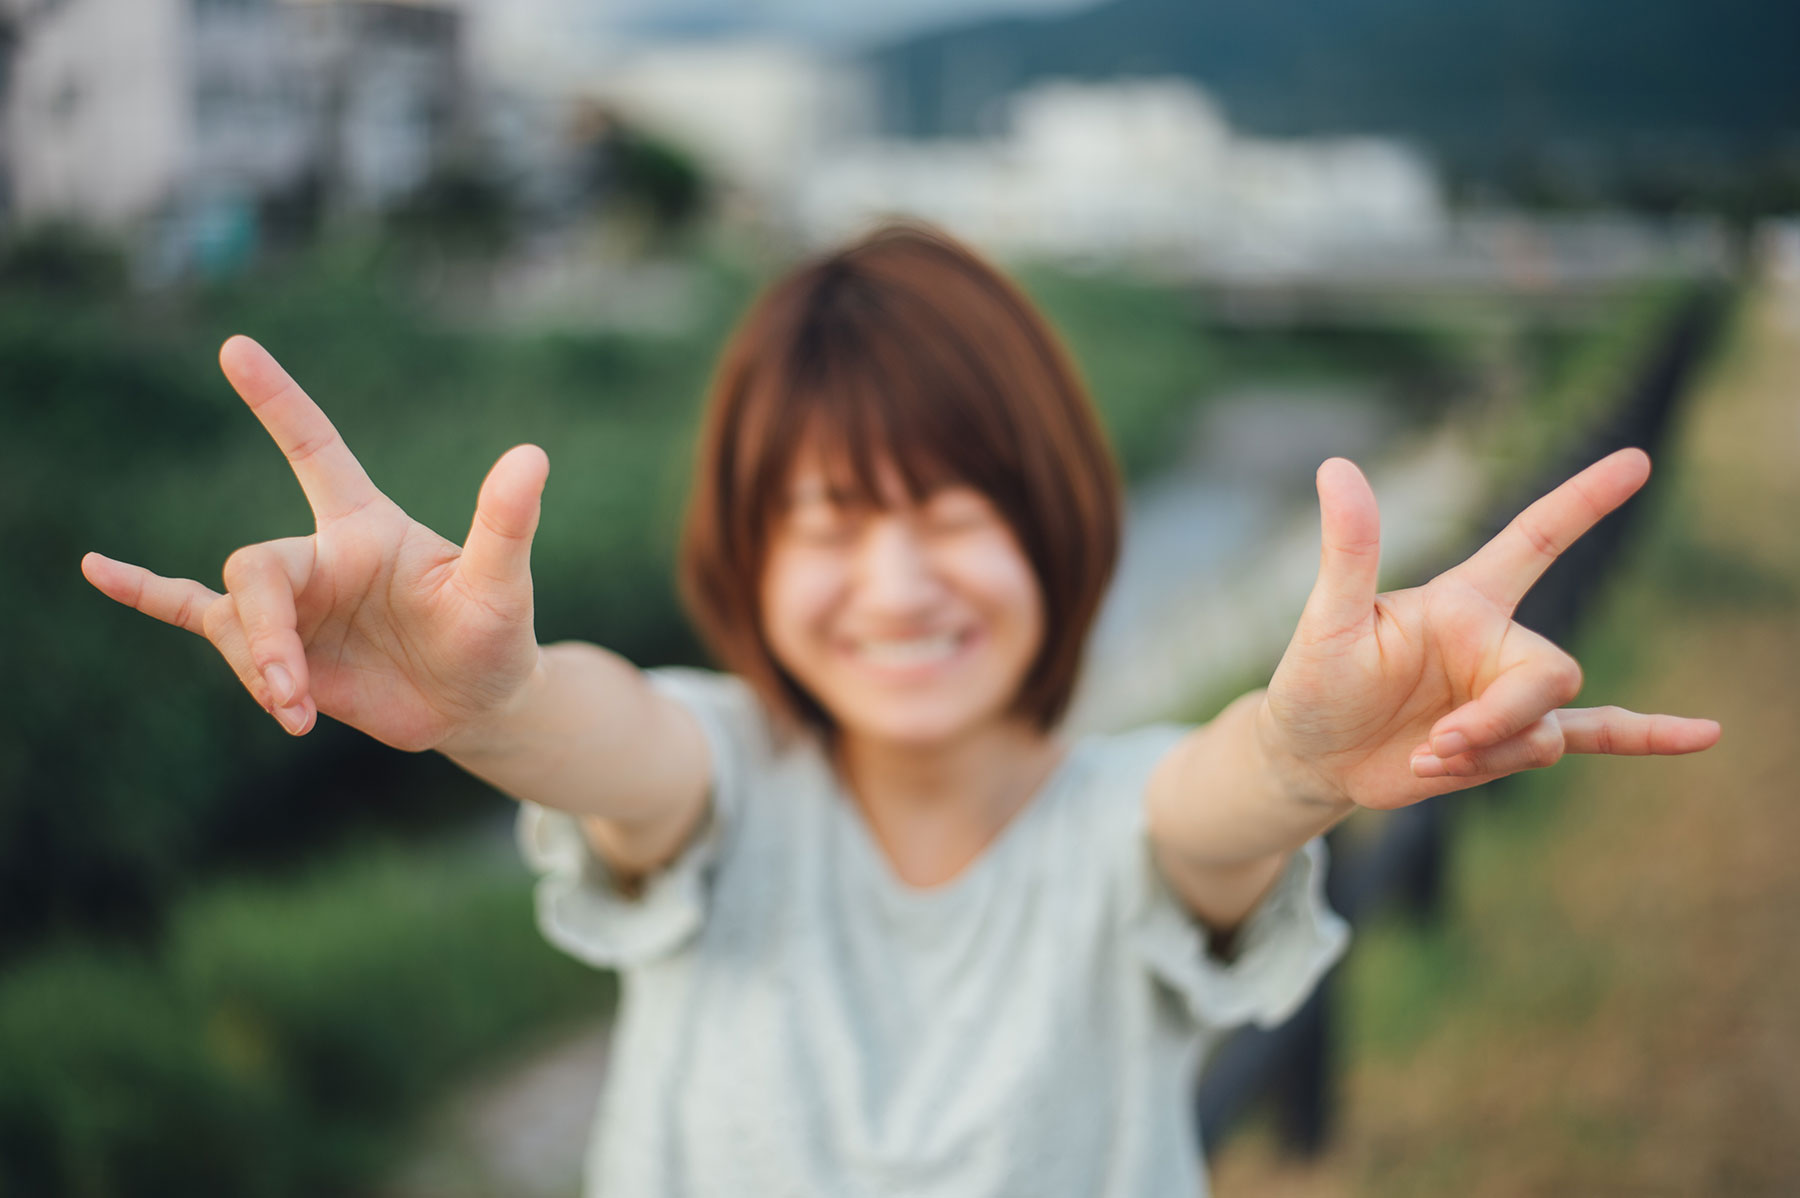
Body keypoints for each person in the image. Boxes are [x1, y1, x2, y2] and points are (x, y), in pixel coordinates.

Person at [80, 223, 1719, 1196]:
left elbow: (1221, 806)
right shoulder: (728, 774)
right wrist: (487, 702)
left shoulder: (1123, 819)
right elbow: (614, 741)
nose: (898, 578)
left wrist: (1303, 754)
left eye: (953, 510)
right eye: (829, 519)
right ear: (745, 550)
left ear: (1059, 518)